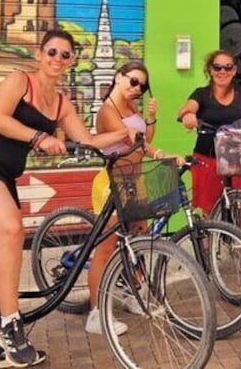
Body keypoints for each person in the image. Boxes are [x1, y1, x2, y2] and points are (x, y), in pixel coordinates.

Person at [0, 30, 134, 368]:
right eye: (52, 51)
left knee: (4, 244)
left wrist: (125, 132)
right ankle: (10, 327)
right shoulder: (21, 81)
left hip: (3, 176)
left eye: (65, 55)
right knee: (11, 230)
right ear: (39, 53)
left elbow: (88, 140)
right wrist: (39, 137)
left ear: (73, 60)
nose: (57, 59)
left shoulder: (62, 102)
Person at [86, 61, 166, 336]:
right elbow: (134, 141)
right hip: (113, 183)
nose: (137, 89)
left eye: (142, 86)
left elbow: (145, 140)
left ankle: (134, 294)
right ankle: (95, 314)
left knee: (139, 240)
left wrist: (152, 120)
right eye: (133, 82)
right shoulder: (108, 110)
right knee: (107, 249)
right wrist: (150, 147)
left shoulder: (132, 106)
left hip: (136, 180)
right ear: (119, 77)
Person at [176, 50, 241, 215]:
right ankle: (208, 240)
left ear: (233, 71)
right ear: (210, 70)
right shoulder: (201, 94)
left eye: (227, 67)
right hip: (208, 156)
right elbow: (187, 108)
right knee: (208, 208)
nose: (222, 72)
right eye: (217, 67)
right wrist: (188, 115)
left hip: (237, 157)